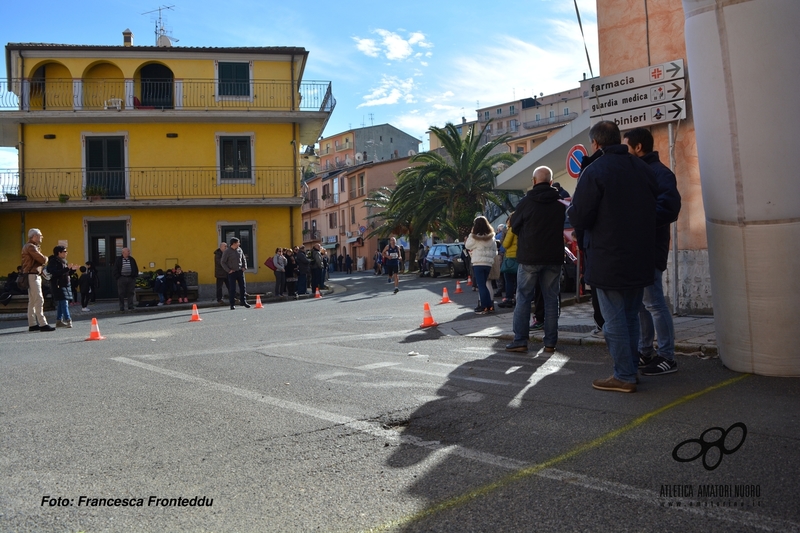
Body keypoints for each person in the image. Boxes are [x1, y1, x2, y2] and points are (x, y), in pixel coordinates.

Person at [568, 121, 658, 393]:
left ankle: (623, 375)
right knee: (631, 316)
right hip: (640, 254)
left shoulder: (595, 170)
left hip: (608, 256)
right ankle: (630, 369)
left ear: (596, 144)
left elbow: (580, 214)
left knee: (614, 320)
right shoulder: (642, 168)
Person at [624, 127, 682, 376]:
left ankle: (667, 356)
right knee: (640, 305)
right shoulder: (634, 172)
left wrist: (638, 223)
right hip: (635, 248)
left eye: (626, 147)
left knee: (655, 303)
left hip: (650, 247)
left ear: (638, 147)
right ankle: (645, 350)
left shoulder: (659, 173)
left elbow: (669, 207)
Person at [505, 166, 566, 352]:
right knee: (551, 299)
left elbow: (514, 227)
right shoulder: (559, 205)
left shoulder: (526, 203)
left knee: (524, 298)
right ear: (550, 181)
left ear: (533, 181)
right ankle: (550, 343)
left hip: (529, 257)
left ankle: (521, 340)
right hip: (554, 258)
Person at [21, 229, 55, 332]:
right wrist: (46, 258)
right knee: (39, 299)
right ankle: (42, 323)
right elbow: (42, 260)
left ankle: (32, 324)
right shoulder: (31, 247)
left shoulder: (28, 246)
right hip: (33, 275)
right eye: (40, 235)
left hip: (31, 275)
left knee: (32, 301)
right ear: (34, 236)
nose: (42, 237)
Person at [465, 217, 497, 313]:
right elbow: (494, 250)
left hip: (478, 263)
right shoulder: (491, 237)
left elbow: (467, 245)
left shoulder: (475, 237)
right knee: (485, 285)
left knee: (481, 285)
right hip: (488, 263)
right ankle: (489, 305)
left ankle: (484, 306)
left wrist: (471, 234)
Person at [47, 245, 78, 328]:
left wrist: (72, 270)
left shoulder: (64, 261)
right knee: (64, 302)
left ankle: (59, 321)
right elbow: (55, 273)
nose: (66, 253)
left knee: (62, 303)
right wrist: (67, 269)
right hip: (58, 285)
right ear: (59, 253)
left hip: (65, 284)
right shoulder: (53, 261)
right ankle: (68, 320)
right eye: (64, 251)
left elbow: (65, 273)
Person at [220, 237, 250, 309]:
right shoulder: (227, 251)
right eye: (237, 243)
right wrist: (228, 270)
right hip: (232, 272)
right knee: (232, 288)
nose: (239, 244)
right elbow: (223, 262)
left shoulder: (240, 250)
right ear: (233, 243)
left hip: (240, 271)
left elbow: (243, 259)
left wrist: (244, 266)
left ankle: (243, 301)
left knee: (243, 287)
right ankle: (232, 303)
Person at [499, 213, 518, 308]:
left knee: (509, 280)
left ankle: (509, 298)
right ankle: (518, 298)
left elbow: (505, 244)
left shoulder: (511, 230)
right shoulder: (522, 229)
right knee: (519, 280)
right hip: (520, 257)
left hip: (511, 257)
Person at [113, 247, 139, 312]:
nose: (129, 252)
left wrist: (134, 276)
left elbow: (135, 268)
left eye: (129, 251)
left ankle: (130, 305)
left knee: (131, 292)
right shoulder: (118, 260)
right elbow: (115, 269)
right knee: (121, 293)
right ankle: (121, 306)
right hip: (122, 278)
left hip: (130, 278)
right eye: (128, 251)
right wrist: (118, 277)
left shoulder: (132, 259)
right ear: (123, 252)